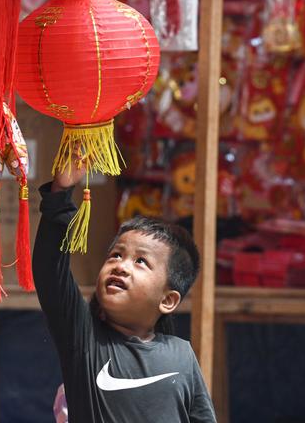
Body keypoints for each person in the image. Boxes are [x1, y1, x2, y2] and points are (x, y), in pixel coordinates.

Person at [34, 159, 217, 422]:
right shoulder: (84, 339)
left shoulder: (182, 355)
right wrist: (60, 194)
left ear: (167, 300)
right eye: (116, 255)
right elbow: (49, 271)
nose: (121, 266)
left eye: (141, 261)